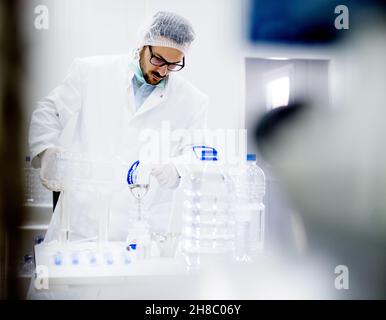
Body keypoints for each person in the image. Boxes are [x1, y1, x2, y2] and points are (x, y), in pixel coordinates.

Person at [28, 11, 208, 242]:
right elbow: (48, 110)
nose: (163, 71)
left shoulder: (192, 100)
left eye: (173, 65)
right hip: (81, 223)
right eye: (158, 60)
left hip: (143, 230)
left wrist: (177, 168)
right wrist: (46, 150)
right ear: (142, 45)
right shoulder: (92, 73)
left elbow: (197, 152)